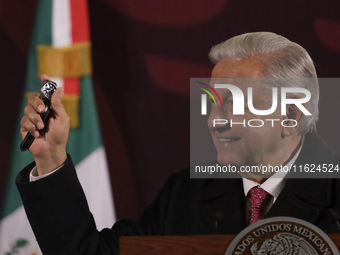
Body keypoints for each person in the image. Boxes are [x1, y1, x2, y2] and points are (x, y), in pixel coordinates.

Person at [16, 32, 340, 255]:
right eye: (213, 102)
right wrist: (51, 158)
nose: (215, 120)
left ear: (292, 115)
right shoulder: (187, 192)